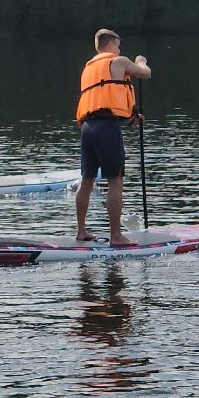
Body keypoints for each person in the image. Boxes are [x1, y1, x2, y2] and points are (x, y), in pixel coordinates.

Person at [74, 28, 152, 245]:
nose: (120, 49)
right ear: (110, 44)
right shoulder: (118, 61)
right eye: (118, 45)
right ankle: (116, 236)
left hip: (88, 128)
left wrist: (131, 116)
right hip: (106, 129)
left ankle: (81, 231)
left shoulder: (88, 67)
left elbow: (104, 100)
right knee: (115, 180)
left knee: (87, 180)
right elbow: (145, 73)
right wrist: (141, 60)